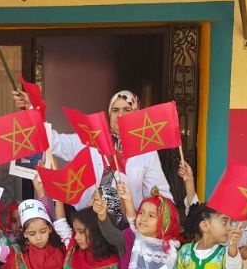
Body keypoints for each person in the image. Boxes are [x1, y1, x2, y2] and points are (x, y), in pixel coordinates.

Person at [12, 89, 172, 213]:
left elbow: (159, 195)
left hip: (129, 229)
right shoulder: (91, 138)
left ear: (136, 112)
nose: (120, 115)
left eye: (127, 109)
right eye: (115, 110)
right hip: (89, 224)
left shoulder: (146, 151)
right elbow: (53, 141)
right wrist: (30, 109)